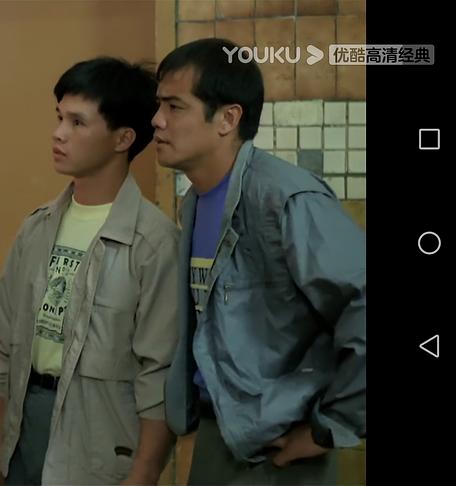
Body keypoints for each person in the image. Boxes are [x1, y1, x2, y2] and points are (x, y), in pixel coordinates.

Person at [153, 37, 367, 485]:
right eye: (159, 105)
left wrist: (329, 428)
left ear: (228, 118)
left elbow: (362, 301)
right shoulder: (196, 202)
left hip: (279, 448)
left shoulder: (286, 198)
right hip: (220, 430)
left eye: (174, 106)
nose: (157, 120)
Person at [0, 57, 180, 486]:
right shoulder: (36, 229)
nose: (58, 133)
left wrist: (145, 471)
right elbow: (7, 349)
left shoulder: (153, 243)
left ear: (123, 138)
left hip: (101, 436)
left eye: (77, 122)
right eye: (59, 117)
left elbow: (159, 373)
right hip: (26, 423)